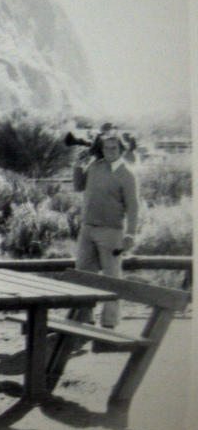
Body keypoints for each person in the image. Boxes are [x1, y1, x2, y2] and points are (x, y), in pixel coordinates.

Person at [72, 126, 139, 328]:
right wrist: (77, 165)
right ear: (101, 149)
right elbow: (78, 186)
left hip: (111, 232)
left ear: (121, 149)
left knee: (112, 278)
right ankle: (85, 318)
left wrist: (131, 234)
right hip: (88, 229)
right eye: (106, 148)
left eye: (114, 148)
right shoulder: (95, 166)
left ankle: (109, 323)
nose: (110, 151)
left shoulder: (127, 174)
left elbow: (133, 206)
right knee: (83, 275)